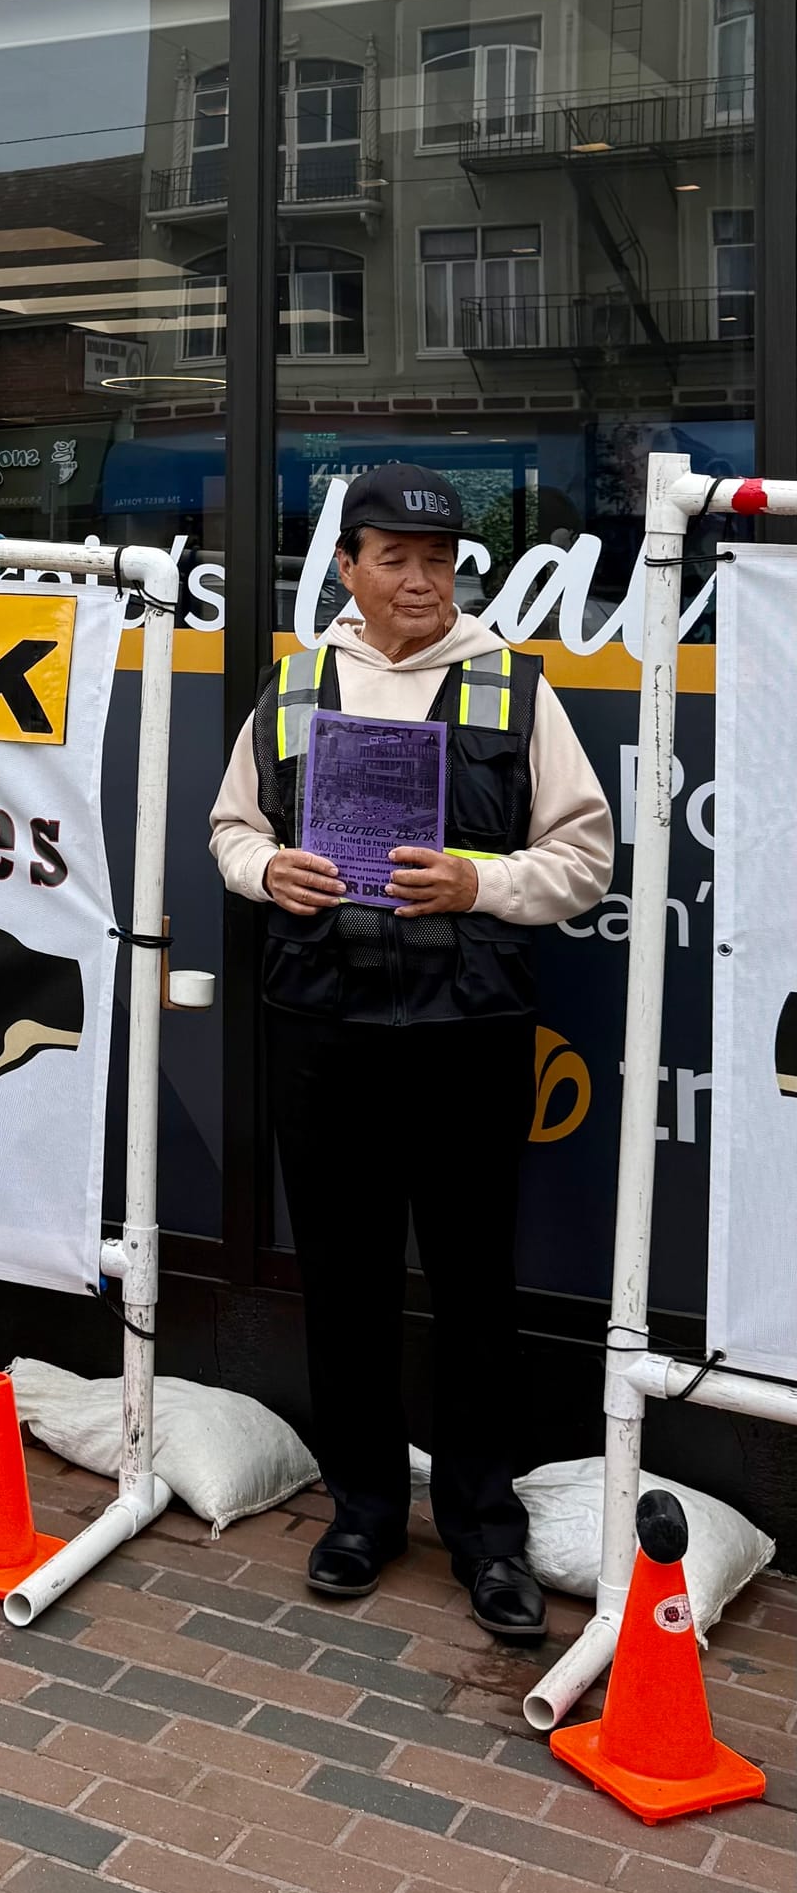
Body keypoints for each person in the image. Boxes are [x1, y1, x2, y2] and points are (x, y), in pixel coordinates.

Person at [210, 464, 612, 1641]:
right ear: (347, 570)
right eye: (392, 557)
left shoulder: (512, 688)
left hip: (465, 1033)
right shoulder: (292, 685)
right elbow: (233, 824)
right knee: (340, 1280)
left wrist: (479, 882)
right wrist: (259, 870)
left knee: (474, 1284)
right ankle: (365, 1512)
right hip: (321, 1022)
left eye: (436, 559)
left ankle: (486, 1535)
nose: (419, 579)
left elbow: (584, 858)